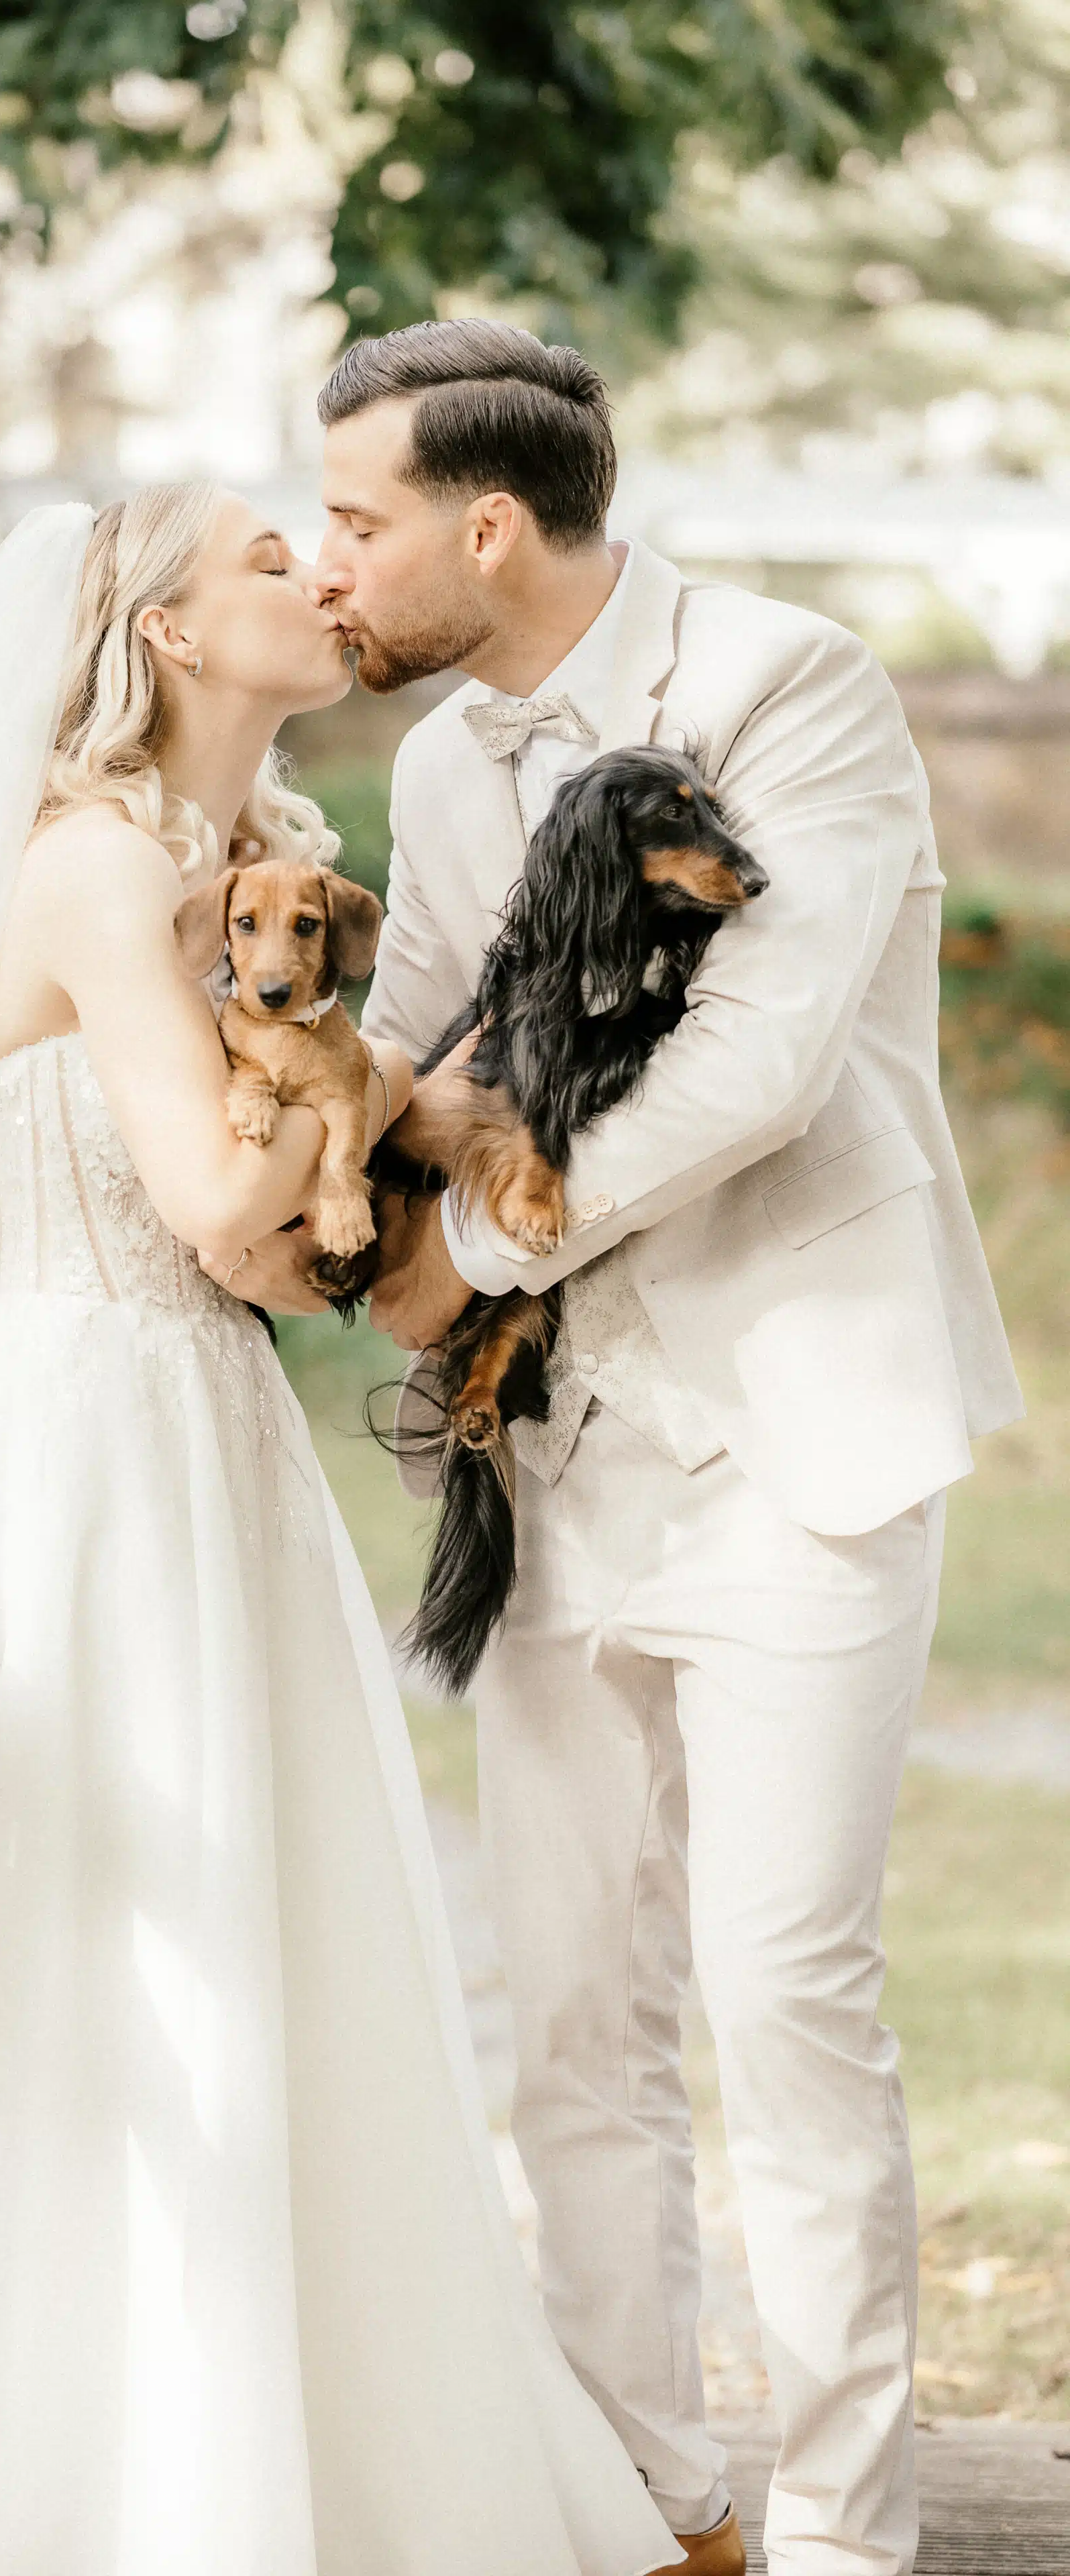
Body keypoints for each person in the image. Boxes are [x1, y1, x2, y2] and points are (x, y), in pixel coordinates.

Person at [0, 486, 680, 2576]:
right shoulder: (98, 868)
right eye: (264, 559)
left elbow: (270, 1219)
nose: (320, 571)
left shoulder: (250, 864)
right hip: (78, 1451)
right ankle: (78, 2495)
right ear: (172, 635)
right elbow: (220, 1209)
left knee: (267, 1923)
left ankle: (314, 2468)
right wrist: (376, 1116)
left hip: (201, 1433)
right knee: (115, 1933)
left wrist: (378, 1138)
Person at [238, 320, 1017, 2576]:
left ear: (487, 526)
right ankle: (647, 2500)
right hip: (550, 1461)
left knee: (786, 1998)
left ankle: (846, 2530)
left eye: (358, 522)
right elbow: (406, 1041)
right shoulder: (443, 765)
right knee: (576, 2011)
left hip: (801, 1433)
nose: (328, 563)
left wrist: (468, 1252)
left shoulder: (794, 685)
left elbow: (759, 1067)